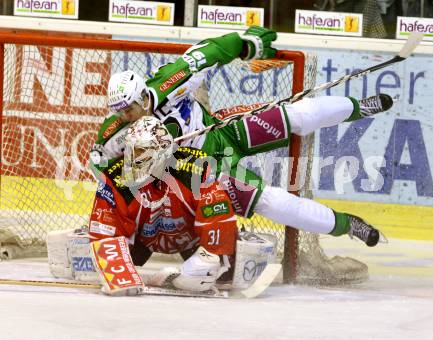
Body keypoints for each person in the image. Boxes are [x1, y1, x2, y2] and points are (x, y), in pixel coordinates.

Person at [87, 26, 392, 293]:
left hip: (222, 133)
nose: (125, 116)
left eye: (129, 109)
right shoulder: (115, 131)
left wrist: (245, 44)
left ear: (143, 96)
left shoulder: (169, 83)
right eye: (119, 111)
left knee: (290, 116)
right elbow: (101, 167)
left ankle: (357, 107)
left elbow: (209, 51)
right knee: (269, 201)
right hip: (199, 170)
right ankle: (346, 225)